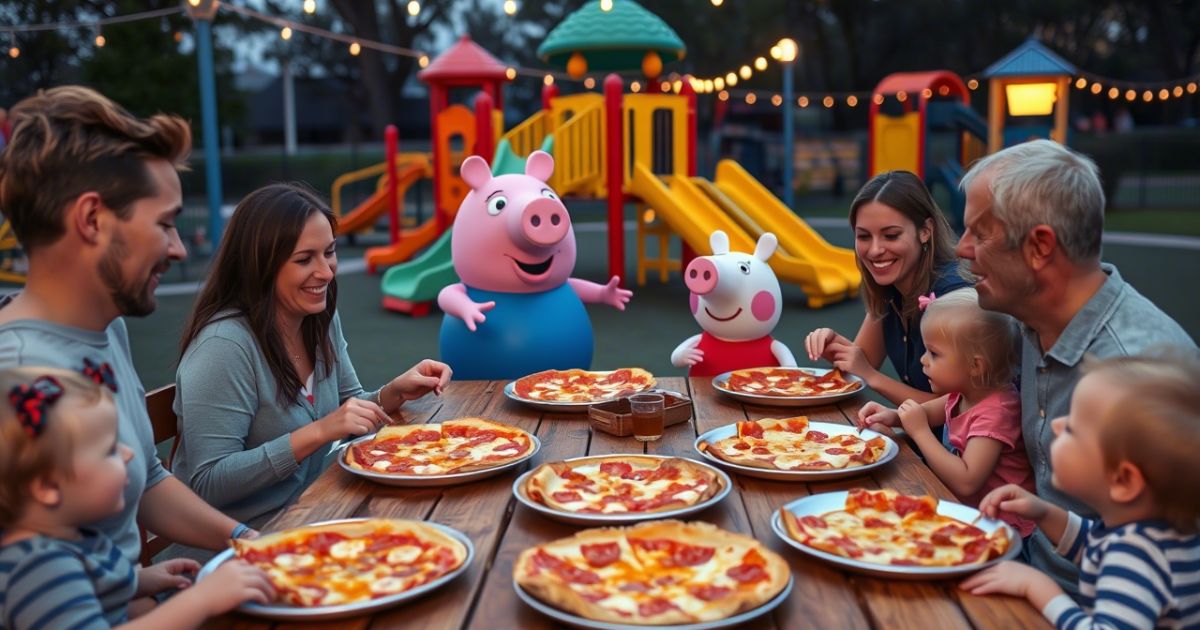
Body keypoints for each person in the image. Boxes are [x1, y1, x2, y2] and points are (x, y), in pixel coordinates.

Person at [0, 86, 257, 564]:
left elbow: (149, 482)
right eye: (164, 224)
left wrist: (254, 542)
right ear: (93, 219)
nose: (178, 249)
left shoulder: (106, 327)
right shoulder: (19, 383)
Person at [956, 138, 1195, 594]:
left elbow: (1169, 581)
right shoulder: (1032, 318)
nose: (963, 248)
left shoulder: (1136, 372)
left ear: (1040, 247)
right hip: (1026, 564)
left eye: (979, 233)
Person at [173, 183, 452, 531]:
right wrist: (317, 432)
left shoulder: (318, 317)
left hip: (314, 511)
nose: (326, 271)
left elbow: (349, 408)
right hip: (242, 542)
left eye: (330, 252)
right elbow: (208, 484)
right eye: (305, 259)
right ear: (260, 264)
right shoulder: (223, 346)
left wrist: (392, 393)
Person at [0, 367, 276, 630]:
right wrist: (201, 600)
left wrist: (134, 582)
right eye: (109, 450)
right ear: (48, 486)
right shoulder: (38, 570)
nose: (128, 455)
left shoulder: (70, 536)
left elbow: (89, 590)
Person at [960, 353, 1200, 628]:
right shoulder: (1155, 532)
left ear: (1123, 481)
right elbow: (1097, 547)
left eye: (1072, 429)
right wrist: (1045, 513)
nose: (1056, 425)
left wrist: (1037, 587)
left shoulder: (1137, 557)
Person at [854, 289, 1035, 538]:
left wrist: (919, 432)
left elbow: (967, 480)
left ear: (975, 365)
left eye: (934, 354)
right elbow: (925, 413)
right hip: (968, 514)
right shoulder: (963, 394)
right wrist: (894, 416)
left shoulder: (997, 413)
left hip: (1001, 532)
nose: (923, 361)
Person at [805, 171, 971, 405]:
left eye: (891, 236)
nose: (874, 250)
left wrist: (871, 376)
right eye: (863, 236)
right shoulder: (890, 290)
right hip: (921, 437)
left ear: (925, 231)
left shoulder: (955, 295)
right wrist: (837, 348)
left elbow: (960, 407)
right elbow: (860, 366)